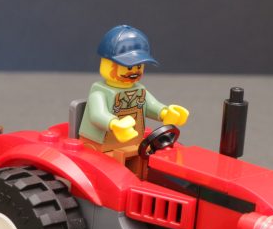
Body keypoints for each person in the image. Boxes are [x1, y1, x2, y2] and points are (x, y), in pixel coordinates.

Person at [78, 25, 189, 174]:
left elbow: (151, 105)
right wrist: (115, 124)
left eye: (139, 67)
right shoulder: (100, 92)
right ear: (108, 65)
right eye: (129, 67)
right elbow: (98, 115)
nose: (134, 72)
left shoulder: (139, 90)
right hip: (101, 147)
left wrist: (165, 113)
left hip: (136, 144)